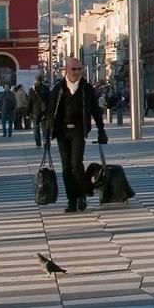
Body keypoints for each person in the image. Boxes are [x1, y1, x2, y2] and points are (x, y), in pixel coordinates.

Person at [44, 57, 107, 213]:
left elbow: (95, 111)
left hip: (79, 130)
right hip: (62, 131)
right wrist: (46, 137)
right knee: (66, 168)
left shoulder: (87, 88)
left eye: (80, 69)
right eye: (74, 69)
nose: (78, 72)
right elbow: (50, 114)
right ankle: (71, 200)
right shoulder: (58, 89)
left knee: (76, 164)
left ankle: (82, 196)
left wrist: (101, 130)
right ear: (67, 69)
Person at [27, 79, 50, 147]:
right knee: (44, 127)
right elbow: (50, 100)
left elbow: (29, 102)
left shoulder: (32, 90)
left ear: (36, 80)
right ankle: (45, 141)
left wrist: (27, 113)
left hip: (35, 112)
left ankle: (38, 143)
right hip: (44, 111)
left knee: (36, 127)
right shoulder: (46, 88)